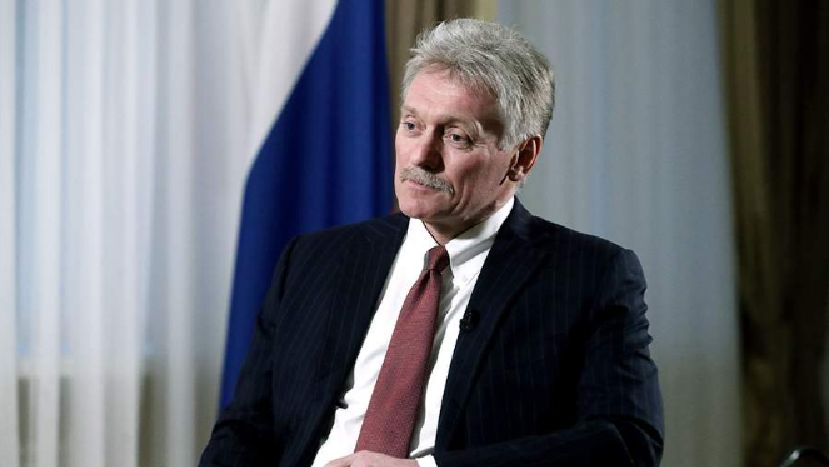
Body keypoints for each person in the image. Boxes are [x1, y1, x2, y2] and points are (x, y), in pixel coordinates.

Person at [200, 18, 663, 467]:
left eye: (456, 137)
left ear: (521, 157)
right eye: (411, 125)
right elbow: (246, 430)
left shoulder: (589, 276)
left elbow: (625, 442)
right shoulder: (314, 260)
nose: (421, 156)